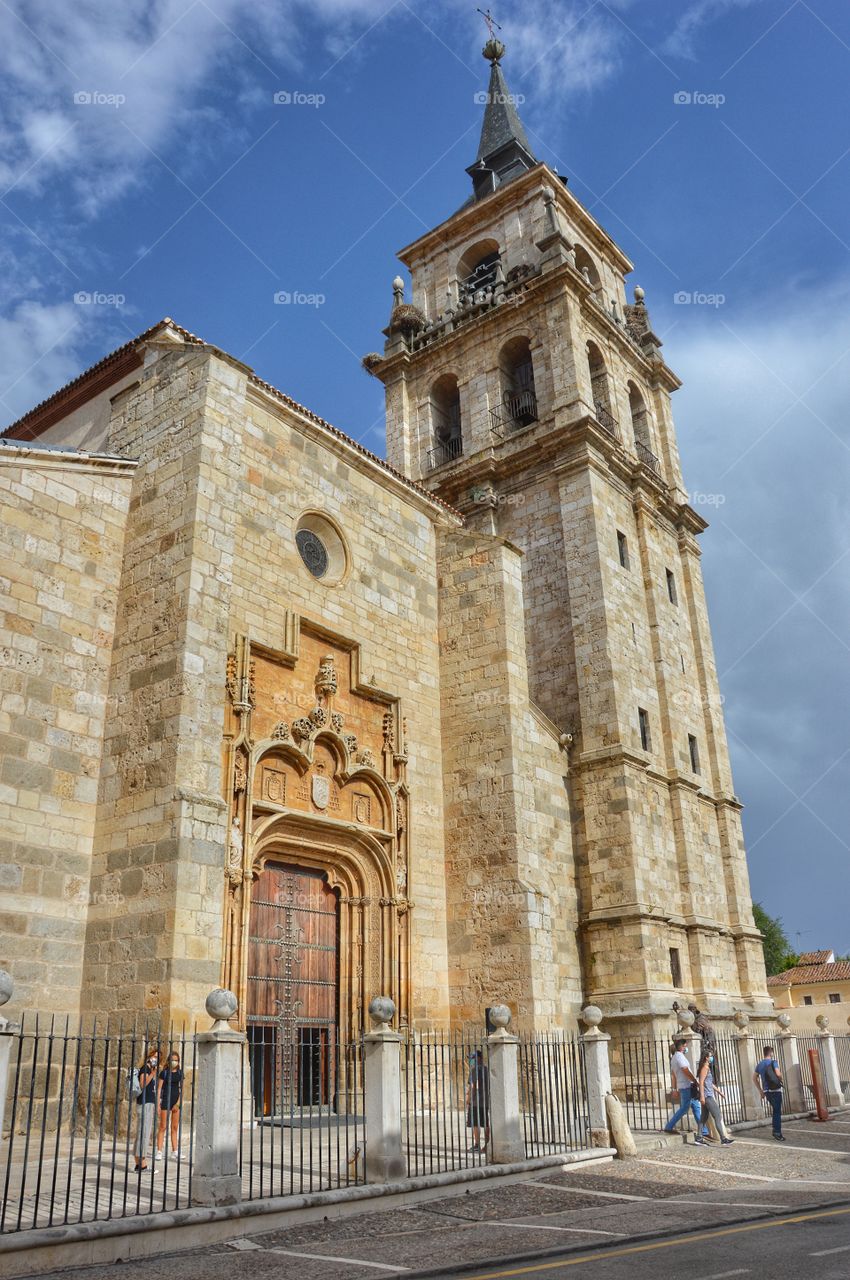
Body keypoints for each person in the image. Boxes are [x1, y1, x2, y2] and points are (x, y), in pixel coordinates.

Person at [695, 1050, 734, 1146]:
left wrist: (719, 1092)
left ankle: (699, 1137)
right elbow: (701, 1083)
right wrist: (702, 1096)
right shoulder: (704, 1068)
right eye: (710, 1056)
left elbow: (709, 1083)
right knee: (718, 1115)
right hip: (707, 1096)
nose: (712, 1057)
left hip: (708, 1095)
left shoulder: (706, 1068)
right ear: (706, 1058)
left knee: (703, 1118)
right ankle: (723, 1138)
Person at [663, 1037, 701, 1133]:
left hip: (684, 1085)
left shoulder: (674, 1058)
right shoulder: (679, 1057)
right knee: (686, 1108)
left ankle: (704, 1131)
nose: (686, 1047)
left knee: (695, 1107)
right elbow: (685, 1069)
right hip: (686, 1085)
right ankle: (669, 1126)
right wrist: (694, 1080)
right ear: (681, 1047)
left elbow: (674, 1076)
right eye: (685, 1045)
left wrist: (675, 1089)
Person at [134, 1045, 159, 1171]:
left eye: (157, 1058)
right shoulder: (145, 1069)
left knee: (142, 1133)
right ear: (149, 1057)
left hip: (148, 1103)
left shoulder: (149, 1069)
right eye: (154, 1057)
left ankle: (138, 1164)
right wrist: (153, 1074)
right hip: (145, 1104)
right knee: (144, 1133)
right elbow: (143, 1084)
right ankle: (142, 1165)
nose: (156, 1059)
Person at [156, 1050, 184, 1160]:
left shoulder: (180, 1073)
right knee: (163, 1126)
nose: (174, 1062)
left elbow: (181, 1089)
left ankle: (175, 1151)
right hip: (165, 1101)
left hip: (176, 1103)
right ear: (169, 1061)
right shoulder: (164, 1073)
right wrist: (158, 1104)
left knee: (175, 1127)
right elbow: (159, 1089)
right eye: (172, 1060)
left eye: (176, 1060)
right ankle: (159, 1151)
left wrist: (178, 1103)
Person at [754, 1044, 785, 1140]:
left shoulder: (760, 1064)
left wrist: (760, 1091)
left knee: (775, 1110)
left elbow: (754, 1078)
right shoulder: (773, 1062)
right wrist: (781, 1079)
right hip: (775, 1090)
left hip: (767, 1091)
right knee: (777, 1111)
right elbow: (778, 1073)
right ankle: (777, 1132)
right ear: (771, 1053)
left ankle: (775, 1130)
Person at [465, 1049, 490, 1152]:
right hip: (486, 1100)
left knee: (476, 1123)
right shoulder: (486, 1070)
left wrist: (468, 1098)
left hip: (476, 1101)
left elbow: (473, 1086)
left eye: (473, 1058)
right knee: (485, 1123)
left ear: (478, 1058)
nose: (471, 1061)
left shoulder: (474, 1070)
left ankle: (477, 1145)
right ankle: (488, 1145)